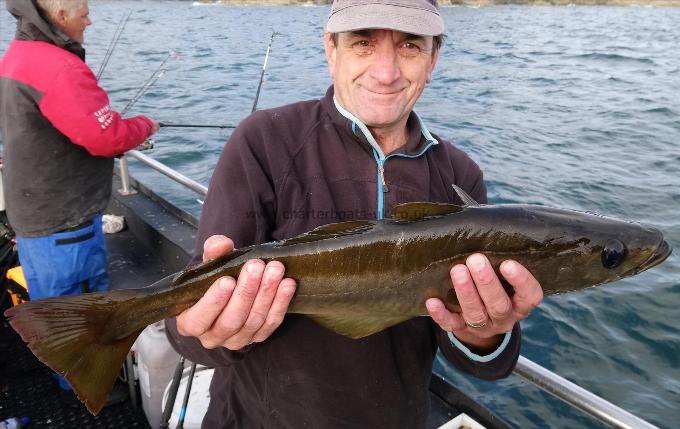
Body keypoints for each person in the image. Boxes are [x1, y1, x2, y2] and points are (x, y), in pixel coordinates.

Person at [166, 0, 544, 427]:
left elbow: (483, 362)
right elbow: (192, 338)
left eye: (410, 46)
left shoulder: (460, 175)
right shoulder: (262, 142)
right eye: (363, 43)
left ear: (433, 59)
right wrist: (203, 328)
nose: (386, 73)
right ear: (331, 49)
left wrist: (484, 330)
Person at [0, 0, 158, 404]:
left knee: (51, 303)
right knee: (81, 307)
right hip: (62, 219)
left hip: (31, 211)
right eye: (83, 11)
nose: (90, 19)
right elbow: (107, 137)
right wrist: (144, 125)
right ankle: (85, 387)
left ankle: (61, 372)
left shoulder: (19, 52)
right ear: (60, 16)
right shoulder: (58, 66)